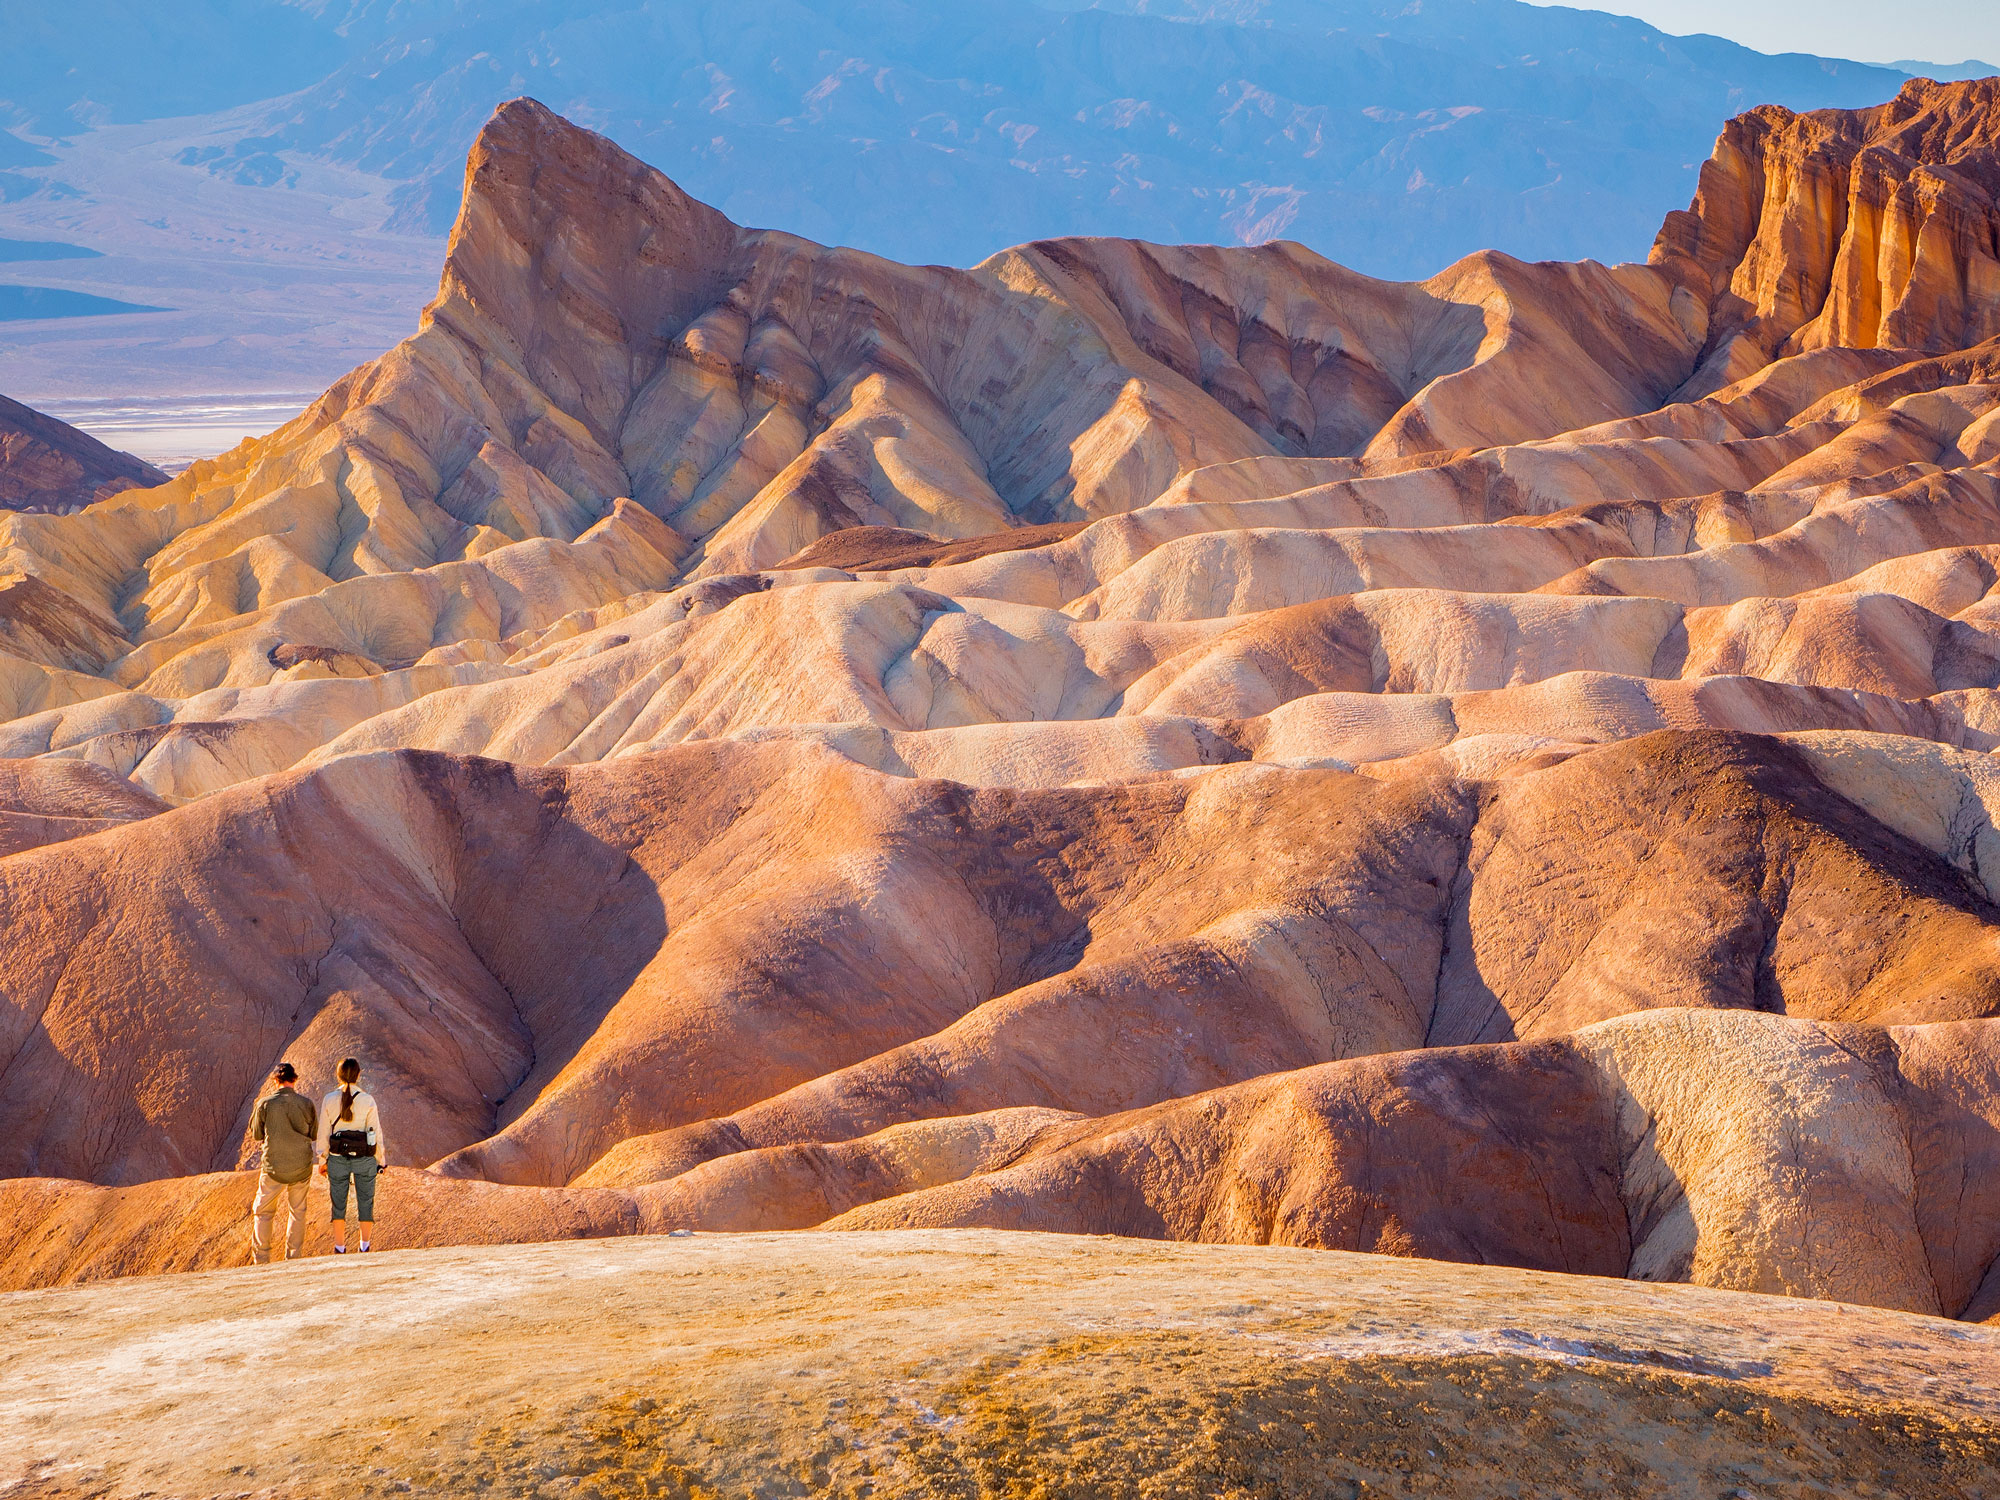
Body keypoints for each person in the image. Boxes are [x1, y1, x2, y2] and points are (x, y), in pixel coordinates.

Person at [315, 1057, 387, 1253]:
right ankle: (364, 1246)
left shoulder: (329, 1099)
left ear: (338, 1075)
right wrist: (381, 1161)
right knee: (366, 1201)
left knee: (338, 1203)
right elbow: (375, 1134)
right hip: (364, 1159)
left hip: (338, 1158)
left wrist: (323, 1160)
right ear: (358, 1075)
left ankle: (340, 1247)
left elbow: (323, 1134)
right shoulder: (368, 1100)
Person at [249, 1062, 318, 1264]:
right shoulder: (306, 1104)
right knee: (297, 1211)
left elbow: (256, 1134)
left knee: (263, 1211)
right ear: (294, 1079)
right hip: (301, 1167)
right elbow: (313, 1134)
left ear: (275, 1080)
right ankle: (293, 1258)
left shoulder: (264, 1104)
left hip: (273, 1167)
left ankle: (261, 1259)